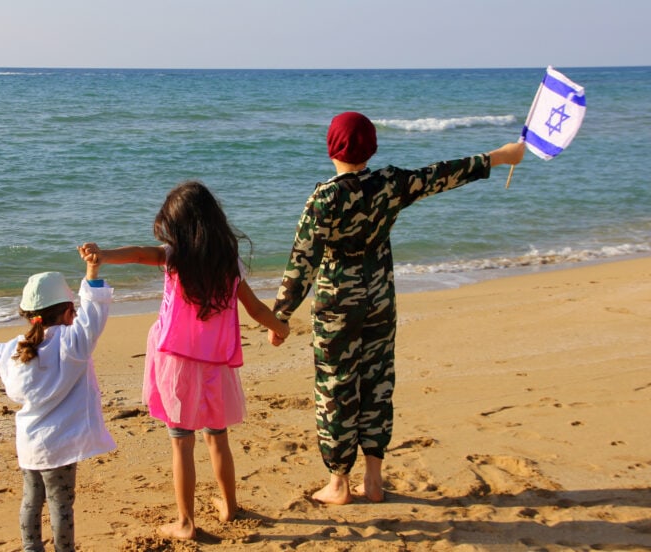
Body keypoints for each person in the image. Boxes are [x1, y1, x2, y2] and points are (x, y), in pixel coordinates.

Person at [269, 111, 526, 505]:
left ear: (330, 148)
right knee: (377, 383)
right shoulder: (390, 183)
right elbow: (443, 174)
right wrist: (501, 155)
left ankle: (338, 484)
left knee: (336, 387)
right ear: (372, 146)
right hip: (380, 297)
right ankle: (373, 480)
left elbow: (302, 261)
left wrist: (280, 315)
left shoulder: (324, 198)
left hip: (338, 305)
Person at [80, 180, 290, 540]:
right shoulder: (228, 261)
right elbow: (255, 308)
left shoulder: (174, 257)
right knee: (218, 437)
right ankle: (230, 506)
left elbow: (139, 253)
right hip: (215, 364)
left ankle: (186, 523)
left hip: (176, 362)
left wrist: (103, 254)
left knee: (182, 442)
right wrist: (281, 327)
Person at [0, 255, 115, 552]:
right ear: (69, 312)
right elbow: (95, 314)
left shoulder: (15, 349)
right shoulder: (72, 344)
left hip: (30, 444)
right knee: (61, 503)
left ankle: (30, 548)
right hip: (61, 444)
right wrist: (92, 270)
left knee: (31, 500)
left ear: (28, 314)